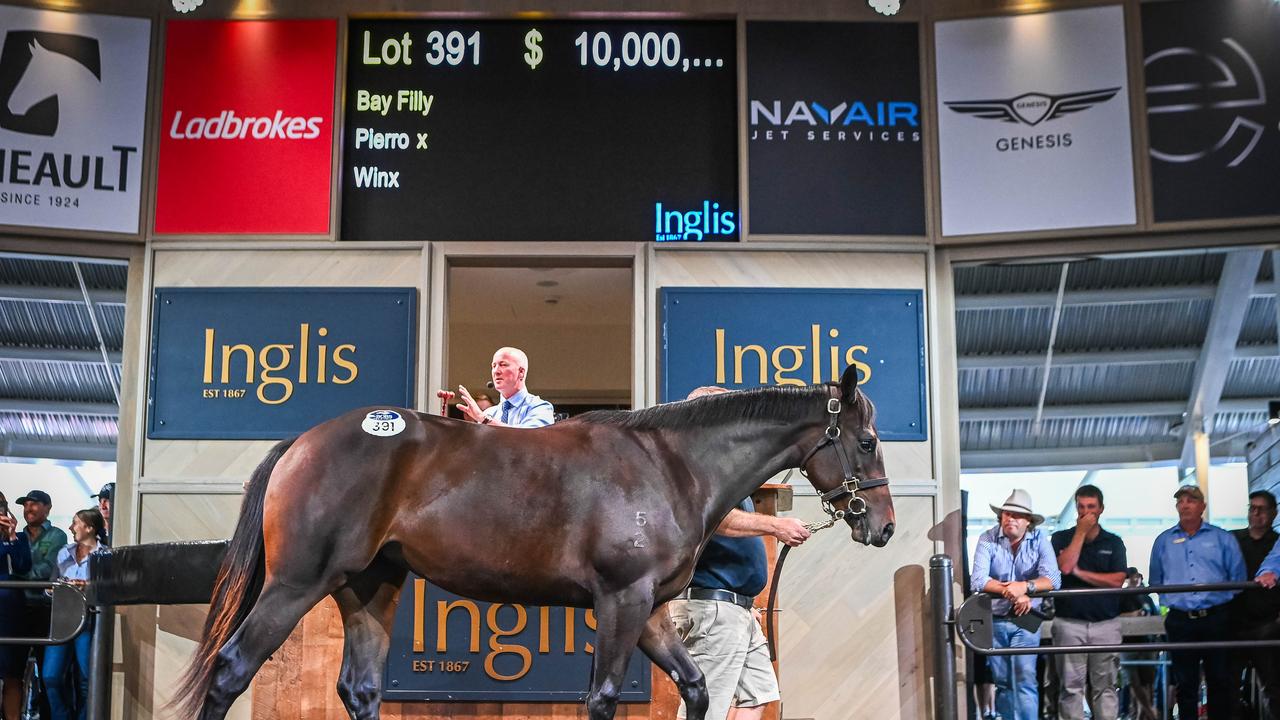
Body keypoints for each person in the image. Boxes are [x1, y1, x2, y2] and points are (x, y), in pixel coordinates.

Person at [668, 386, 812, 720]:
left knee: (757, 694)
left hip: (733, 607)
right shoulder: (695, 462)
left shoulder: (722, 466)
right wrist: (776, 527)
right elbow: (716, 520)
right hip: (711, 606)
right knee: (706, 707)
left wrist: (744, 603)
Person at [1149, 484, 1245, 720]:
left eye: (1191, 500)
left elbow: (1238, 577)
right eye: (1180, 500)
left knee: (1219, 679)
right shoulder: (1163, 541)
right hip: (1180, 620)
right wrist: (1177, 601)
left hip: (1216, 618)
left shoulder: (1223, 538)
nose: (1185, 504)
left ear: (1202, 506)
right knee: (1185, 683)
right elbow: (1156, 580)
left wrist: (1216, 603)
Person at [971, 489, 1062, 720]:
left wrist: (1025, 587)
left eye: (1017, 515)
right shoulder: (987, 538)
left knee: (1024, 678)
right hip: (996, 619)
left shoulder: (1040, 539)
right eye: (1006, 513)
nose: (1010, 518)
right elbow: (978, 580)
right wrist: (1013, 592)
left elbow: (1053, 579)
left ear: (1028, 522)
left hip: (1027, 617)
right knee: (1002, 682)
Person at [1050, 484, 1127, 720]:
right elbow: (1064, 567)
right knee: (1071, 688)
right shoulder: (1061, 538)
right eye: (1081, 507)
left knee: (1105, 687)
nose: (1086, 513)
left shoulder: (1113, 542)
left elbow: (1117, 581)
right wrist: (1080, 533)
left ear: (1101, 509)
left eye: (1091, 507)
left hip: (1105, 624)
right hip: (1069, 623)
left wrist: (1081, 574)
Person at [43, 508, 106, 720]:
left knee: (87, 679)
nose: (71, 528)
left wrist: (86, 585)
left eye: (75, 523)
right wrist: (56, 588)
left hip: (88, 620)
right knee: (50, 676)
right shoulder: (64, 552)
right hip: (61, 619)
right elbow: (49, 586)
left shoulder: (104, 555)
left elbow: (108, 588)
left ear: (89, 528)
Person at [1233, 491, 1280, 718]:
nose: (1256, 513)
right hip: (1234, 623)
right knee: (1228, 686)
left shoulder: (1277, 543)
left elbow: (1272, 567)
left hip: (1268, 624)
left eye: (1262, 509)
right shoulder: (1232, 540)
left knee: (1274, 687)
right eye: (1252, 508)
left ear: (1274, 513)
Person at [17, 488, 67, 689]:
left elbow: (47, 568)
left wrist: (15, 575)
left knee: (47, 671)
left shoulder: (57, 535)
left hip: (43, 608)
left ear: (48, 508)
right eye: (26, 504)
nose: (29, 508)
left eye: (34, 503)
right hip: (18, 607)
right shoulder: (18, 537)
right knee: (14, 670)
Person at [454, 347, 554, 428]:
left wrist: (484, 419)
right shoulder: (489, 413)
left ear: (521, 372)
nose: (496, 371)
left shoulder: (540, 408)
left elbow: (527, 439)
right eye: (493, 366)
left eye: (503, 365)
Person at [0, 492, 32, 720]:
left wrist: (11, 537)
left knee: (13, 674)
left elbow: (23, 566)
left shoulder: (18, 537)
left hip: (13, 611)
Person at [1117, 568, 1158, 720]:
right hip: (1127, 644)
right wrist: (1133, 615)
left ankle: (1142, 713)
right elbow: (1113, 616)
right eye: (1130, 577)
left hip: (1147, 643)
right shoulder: (1121, 596)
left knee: (1147, 682)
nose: (1134, 580)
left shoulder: (1147, 598)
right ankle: (1149, 711)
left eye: (1136, 577)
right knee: (1133, 682)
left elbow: (1155, 617)